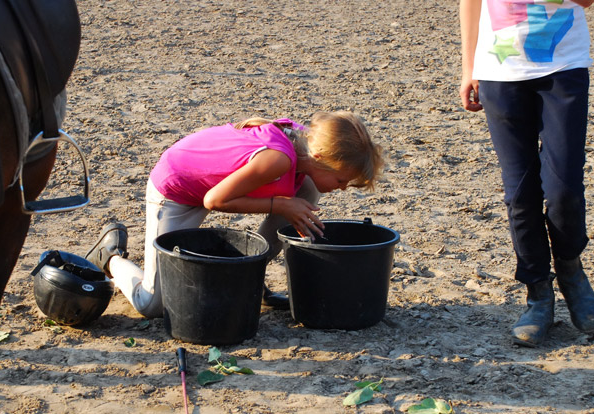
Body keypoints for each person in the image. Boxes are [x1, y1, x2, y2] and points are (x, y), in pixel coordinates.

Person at [84, 111, 384, 318]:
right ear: (319, 158)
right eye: (342, 180)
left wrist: (286, 204)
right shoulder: (278, 160)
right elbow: (214, 200)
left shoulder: (303, 156)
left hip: (209, 183)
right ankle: (110, 258)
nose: (343, 188)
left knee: (306, 194)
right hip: (175, 190)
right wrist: (279, 204)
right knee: (153, 305)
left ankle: (251, 276)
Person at [459, 0, 594, 346]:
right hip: (499, 72)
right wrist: (469, 67)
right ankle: (538, 294)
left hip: (563, 67)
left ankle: (570, 270)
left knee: (563, 189)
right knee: (519, 194)